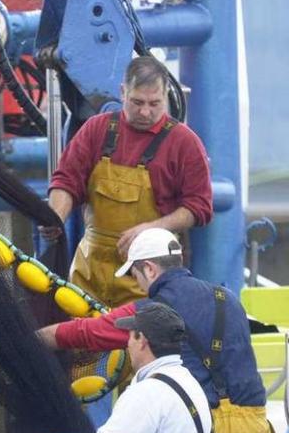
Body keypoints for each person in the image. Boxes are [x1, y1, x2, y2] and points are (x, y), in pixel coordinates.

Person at [37, 228, 277, 433]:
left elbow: (86, 332)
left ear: (150, 269)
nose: (137, 284)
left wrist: (33, 339)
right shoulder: (228, 298)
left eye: (135, 275)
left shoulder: (152, 313)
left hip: (206, 429)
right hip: (255, 428)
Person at [42, 56, 213, 307]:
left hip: (150, 275)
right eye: (137, 102)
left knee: (138, 342)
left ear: (166, 95)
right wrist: (56, 216)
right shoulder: (95, 130)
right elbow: (67, 180)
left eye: (155, 103)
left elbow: (199, 208)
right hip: (89, 273)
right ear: (123, 92)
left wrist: (154, 228)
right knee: (80, 337)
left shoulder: (185, 143)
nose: (145, 112)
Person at [30, 303, 214, 433]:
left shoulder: (148, 393)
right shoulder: (189, 382)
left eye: (130, 336)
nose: (127, 343)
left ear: (141, 340)